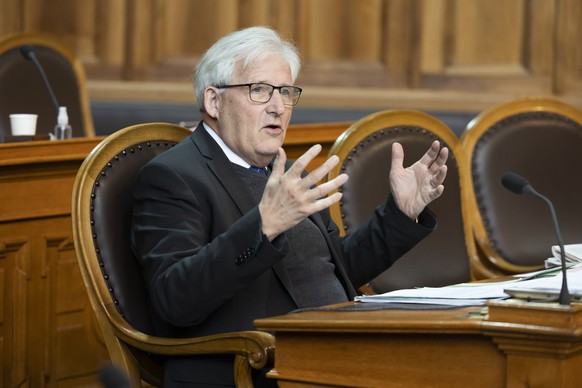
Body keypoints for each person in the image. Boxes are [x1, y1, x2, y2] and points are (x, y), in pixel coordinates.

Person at [130, 26, 448, 387]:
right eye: (259, 90)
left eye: (285, 91)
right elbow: (175, 299)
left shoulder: (282, 172)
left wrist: (401, 214)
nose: (278, 106)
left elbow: (334, 267)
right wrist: (263, 226)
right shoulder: (173, 176)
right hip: (256, 367)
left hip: (338, 352)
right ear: (214, 101)